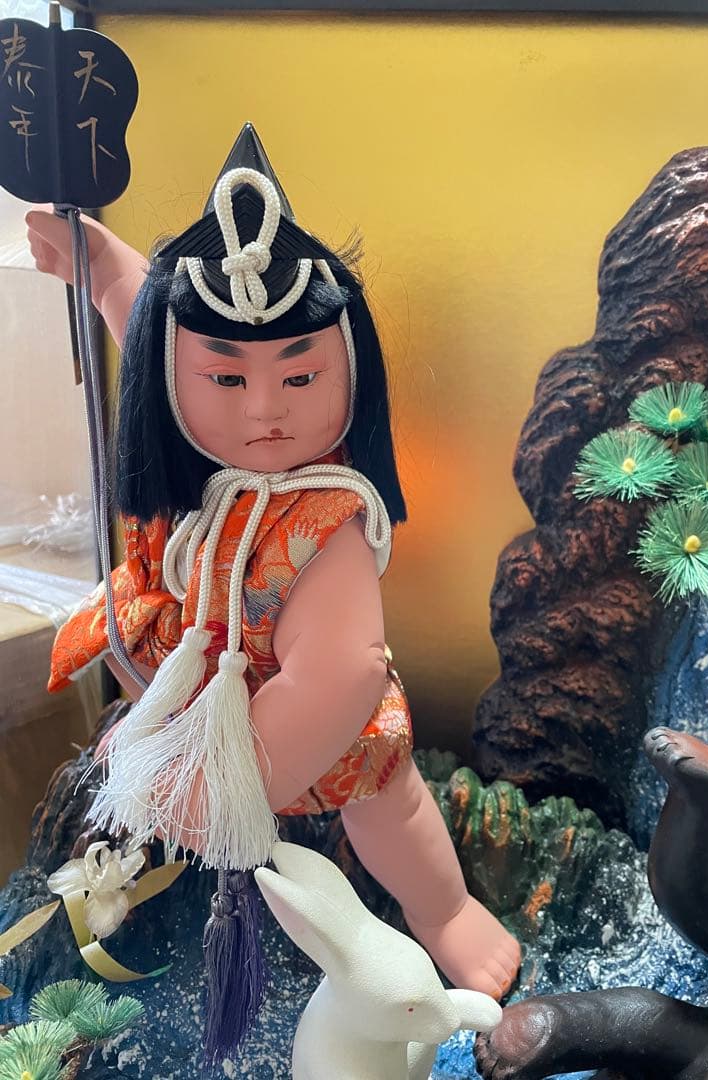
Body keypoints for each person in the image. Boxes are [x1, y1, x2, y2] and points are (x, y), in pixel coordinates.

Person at [30, 125, 520, 1057]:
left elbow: (340, 673)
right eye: (225, 375)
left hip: (308, 734)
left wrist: (233, 784)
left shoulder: (328, 521)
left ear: (350, 372)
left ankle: (447, 911)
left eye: (300, 374)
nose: (263, 409)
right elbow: (146, 325)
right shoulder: (188, 465)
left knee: (389, 810)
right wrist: (99, 266)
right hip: (189, 688)